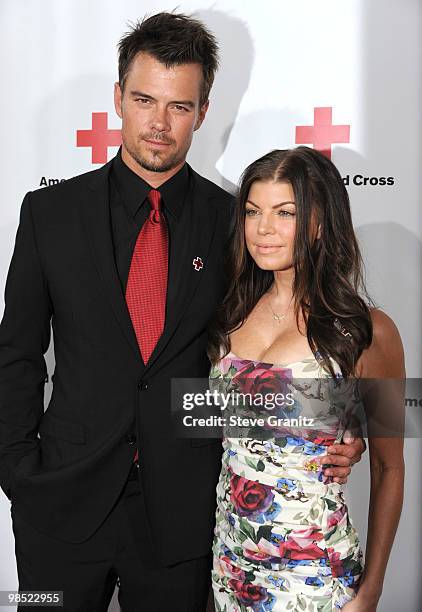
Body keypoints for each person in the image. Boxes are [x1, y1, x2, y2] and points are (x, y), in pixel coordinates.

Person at [0, 12, 365, 612]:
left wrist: (348, 422)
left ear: (202, 110)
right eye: (144, 99)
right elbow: (15, 355)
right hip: (57, 508)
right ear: (118, 98)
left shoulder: (236, 223)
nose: (159, 123)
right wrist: (17, 468)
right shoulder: (49, 214)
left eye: (179, 106)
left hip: (185, 516)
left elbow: (288, 329)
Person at [208, 147, 405, 611]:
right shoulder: (229, 313)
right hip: (230, 565)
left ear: (320, 221)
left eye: (285, 213)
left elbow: (390, 467)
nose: (263, 229)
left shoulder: (370, 330)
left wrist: (371, 591)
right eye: (253, 211)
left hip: (314, 572)